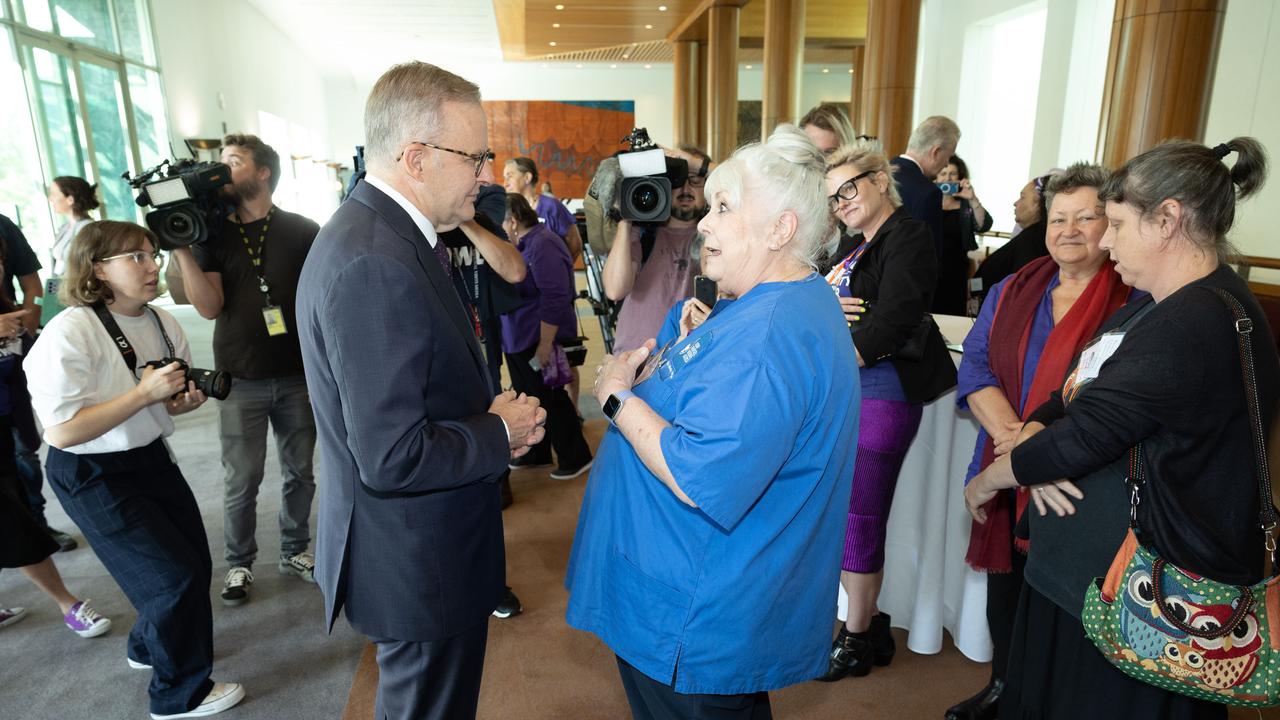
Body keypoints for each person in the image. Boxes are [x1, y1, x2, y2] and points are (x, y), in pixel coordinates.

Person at [964, 138, 1278, 720]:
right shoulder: (1158, 304)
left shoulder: (1193, 322)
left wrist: (988, 482)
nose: (1105, 240)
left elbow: (1086, 435)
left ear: (1168, 220)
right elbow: (1072, 395)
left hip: (1147, 598)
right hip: (1094, 579)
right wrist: (1036, 434)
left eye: (1115, 223)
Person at [566, 124, 860, 719]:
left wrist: (618, 397)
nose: (702, 221)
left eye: (724, 207)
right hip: (692, 597)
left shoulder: (769, 333)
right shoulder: (764, 303)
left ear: (782, 229)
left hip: (695, 614)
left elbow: (701, 473)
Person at [296, 61, 545, 720]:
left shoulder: (383, 234)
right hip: (415, 562)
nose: (487, 176)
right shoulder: (376, 258)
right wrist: (499, 432)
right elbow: (392, 454)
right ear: (415, 157)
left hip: (418, 546)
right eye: (475, 157)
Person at [26, 220, 244, 719]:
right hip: (89, 470)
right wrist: (144, 393)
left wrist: (178, 401)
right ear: (98, 269)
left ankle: (148, 646)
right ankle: (177, 695)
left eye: (153, 255)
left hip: (148, 458)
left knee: (192, 561)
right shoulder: (69, 331)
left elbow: (165, 409)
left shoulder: (163, 322)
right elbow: (61, 432)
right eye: (135, 258)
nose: (152, 266)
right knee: (171, 578)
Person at [946, 163, 1136, 720]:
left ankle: (1047, 699)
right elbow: (975, 369)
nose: (1069, 230)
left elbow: (1111, 401)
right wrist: (1015, 443)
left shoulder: (1133, 300)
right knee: (1007, 584)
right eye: (1058, 218)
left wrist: (1031, 450)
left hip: (1080, 474)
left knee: (1064, 591)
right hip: (1010, 461)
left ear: (1112, 224)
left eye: (1086, 217)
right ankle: (1004, 684)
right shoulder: (1013, 286)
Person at [818, 142, 957, 681]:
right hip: (853, 391)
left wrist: (842, 352)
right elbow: (819, 298)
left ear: (881, 180)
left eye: (849, 188)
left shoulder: (909, 234)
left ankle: (854, 637)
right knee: (851, 511)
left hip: (882, 391)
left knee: (861, 513)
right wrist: (830, 305)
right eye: (833, 198)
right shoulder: (856, 246)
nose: (842, 202)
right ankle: (869, 626)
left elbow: (896, 316)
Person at [171, 133, 321, 608]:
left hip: (299, 375)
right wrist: (181, 250)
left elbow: (323, 299)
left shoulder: (302, 230)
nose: (221, 171)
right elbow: (209, 307)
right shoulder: (212, 236)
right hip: (240, 378)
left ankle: (295, 549)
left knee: (301, 472)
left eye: (232, 162)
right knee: (243, 479)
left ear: (262, 173)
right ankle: (239, 561)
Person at [0, 274, 108, 639]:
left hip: (7, 427)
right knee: (12, 522)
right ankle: (68, 604)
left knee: (17, 509)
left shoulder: (7, 308)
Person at [501, 193, 593, 480]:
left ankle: (575, 456)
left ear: (513, 221)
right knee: (529, 396)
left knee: (550, 398)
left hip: (537, 337)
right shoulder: (525, 243)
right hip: (518, 336)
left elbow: (555, 298)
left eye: (499, 223)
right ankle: (536, 452)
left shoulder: (544, 244)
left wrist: (544, 344)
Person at [0, 213, 72, 552]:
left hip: (11, 356)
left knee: (23, 450)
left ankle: (37, 527)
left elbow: (34, 286)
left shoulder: (2, 226)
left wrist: (29, 317)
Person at [602, 144, 710, 353]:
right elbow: (615, 290)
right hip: (635, 360)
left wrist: (700, 165)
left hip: (688, 360)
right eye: (677, 180)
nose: (686, 189)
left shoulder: (717, 237)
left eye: (695, 180)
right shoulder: (641, 233)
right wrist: (625, 219)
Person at [972, 172, 1055, 303]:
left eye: (1022, 197)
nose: (1015, 203)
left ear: (1039, 204)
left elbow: (1020, 289)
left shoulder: (1032, 240)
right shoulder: (1033, 236)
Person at [892, 115, 961, 263]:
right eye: (948, 156)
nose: (946, 163)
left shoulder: (880, 173)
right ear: (936, 152)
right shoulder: (927, 192)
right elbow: (928, 256)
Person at [933, 156, 992, 315]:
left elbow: (983, 225)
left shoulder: (964, 205)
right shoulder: (927, 203)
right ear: (935, 176)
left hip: (956, 271)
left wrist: (972, 198)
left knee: (952, 316)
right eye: (943, 173)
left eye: (953, 174)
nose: (947, 178)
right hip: (929, 269)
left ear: (959, 177)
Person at [502, 156, 583, 261]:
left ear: (527, 177)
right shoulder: (508, 211)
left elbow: (575, 244)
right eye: (504, 178)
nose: (505, 183)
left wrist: (559, 270)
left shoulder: (551, 206)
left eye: (509, 176)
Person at [47, 176, 99, 277]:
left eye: (53, 194)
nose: (50, 199)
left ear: (70, 199)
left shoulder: (87, 228)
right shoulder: (64, 228)